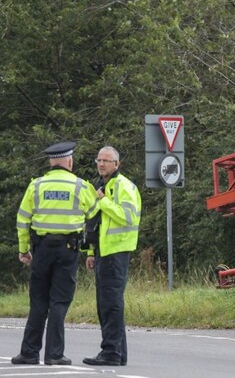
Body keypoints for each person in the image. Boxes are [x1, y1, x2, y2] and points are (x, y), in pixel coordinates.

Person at [12, 141, 99, 366]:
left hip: (41, 250)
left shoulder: (36, 186)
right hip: (67, 250)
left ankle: (29, 352)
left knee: (38, 301)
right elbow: (94, 215)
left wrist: (24, 250)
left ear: (51, 163)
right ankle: (54, 354)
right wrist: (90, 249)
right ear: (69, 162)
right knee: (59, 302)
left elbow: (22, 220)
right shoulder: (80, 186)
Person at [83, 146, 142, 367]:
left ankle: (110, 353)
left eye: (106, 161)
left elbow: (127, 218)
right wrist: (90, 251)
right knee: (106, 304)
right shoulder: (99, 185)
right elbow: (93, 222)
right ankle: (117, 353)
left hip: (117, 252)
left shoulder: (124, 186)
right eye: (99, 160)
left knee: (111, 305)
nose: (101, 164)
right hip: (102, 252)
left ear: (117, 164)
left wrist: (104, 201)